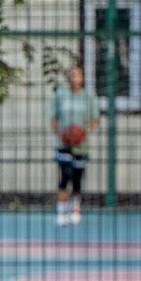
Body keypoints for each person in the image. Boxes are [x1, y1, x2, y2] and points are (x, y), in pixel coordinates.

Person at [51, 61, 99, 226]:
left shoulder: (88, 96)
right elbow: (52, 118)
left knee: (77, 178)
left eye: (77, 74)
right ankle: (61, 211)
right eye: (72, 74)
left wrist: (84, 131)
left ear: (82, 77)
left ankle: (75, 208)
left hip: (81, 145)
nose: (75, 77)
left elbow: (94, 119)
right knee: (65, 176)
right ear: (68, 77)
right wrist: (60, 134)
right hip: (63, 144)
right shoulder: (61, 95)